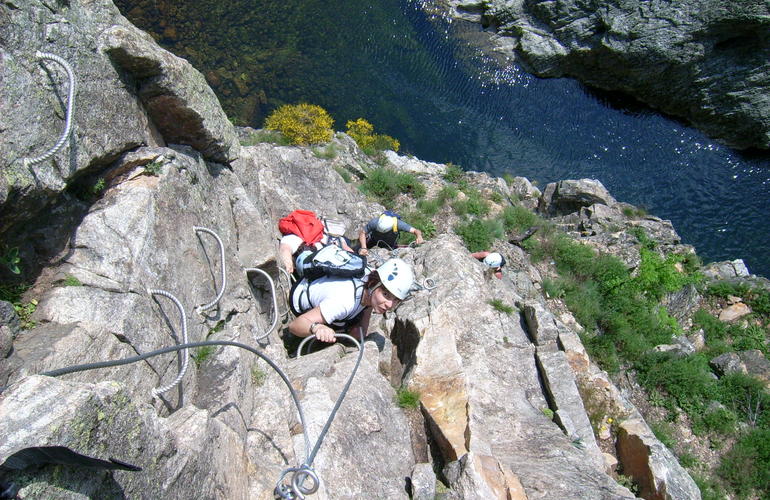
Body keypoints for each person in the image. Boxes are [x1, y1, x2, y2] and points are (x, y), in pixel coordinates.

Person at [288, 258, 414, 343]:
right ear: (372, 284)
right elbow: (294, 326)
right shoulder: (344, 302)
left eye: (396, 299)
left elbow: (361, 329)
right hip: (299, 297)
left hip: (321, 287)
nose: (390, 304)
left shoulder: (371, 280)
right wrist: (316, 328)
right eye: (386, 294)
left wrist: (362, 329)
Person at [279, 226, 355, 275]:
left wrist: (288, 265)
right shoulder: (322, 238)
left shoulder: (292, 238)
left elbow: (285, 249)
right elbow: (349, 251)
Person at [356, 213, 424, 256]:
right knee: (357, 250)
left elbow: (415, 230)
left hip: (389, 244)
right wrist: (364, 247)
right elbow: (362, 233)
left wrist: (419, 236)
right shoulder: (374, 222)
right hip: (373, 240)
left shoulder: (398, 224)